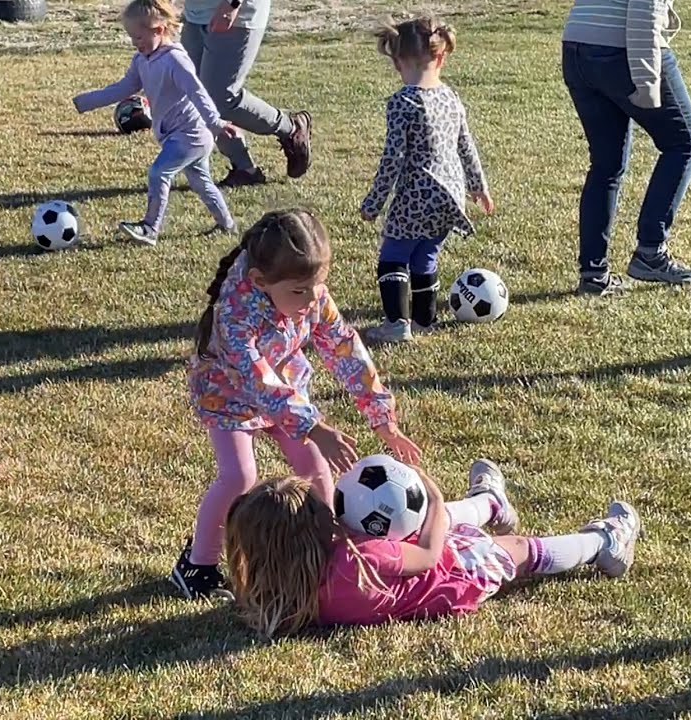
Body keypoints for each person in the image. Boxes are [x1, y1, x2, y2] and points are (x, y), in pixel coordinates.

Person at [175, 208, 422, 599]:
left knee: (314, 466)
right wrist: (313, 427)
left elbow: (346, 350)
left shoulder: (311, 294)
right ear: (260, 281)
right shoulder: (236, 314)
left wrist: (381, 418)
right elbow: (258, 381)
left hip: (286, 389)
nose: (310, 300)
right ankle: (196, 566)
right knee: (239, 477)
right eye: (299, 291)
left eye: (317, 286)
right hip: (230, 397)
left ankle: (327, 551)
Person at [225, 459, 641, 637]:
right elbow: (426, 554)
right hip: (453, 578)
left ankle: (492, 502)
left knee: (409, 525)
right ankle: (604, 543)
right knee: (517, 548)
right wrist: (436, 500)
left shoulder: (274, 591)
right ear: (309, 530)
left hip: (415, 569)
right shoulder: (360, 559)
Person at [360, 16, 493, 344]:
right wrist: (478, 186)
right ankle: (424, 320)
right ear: (441, 56)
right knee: (426, 256)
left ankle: (396, 324)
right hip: (450, 195)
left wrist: (373, 203)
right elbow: (466, 145)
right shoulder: (450, 96)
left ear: (397, 61)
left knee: (393, 255)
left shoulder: (402, 102)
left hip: (415, 195)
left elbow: (392, 160)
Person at [561, 0, 691, 296]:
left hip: (577, 44)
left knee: (605, 164)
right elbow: (645, 11)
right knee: (683, 143)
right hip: (620, 47)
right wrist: (647, 81)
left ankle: (593, 274)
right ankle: (651, 252)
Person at [73, 0, 239, 246]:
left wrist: (215, 123)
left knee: (159, 172)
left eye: (139, 37)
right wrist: (86, 101)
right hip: (176, 135)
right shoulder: (142, 60)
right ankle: (227, 225)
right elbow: (124, 87)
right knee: (200, 181)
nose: (135, 43)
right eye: (132, 37)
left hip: (191, 135)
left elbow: (197, 92)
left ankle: (150, 228)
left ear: (159, 30)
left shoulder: (175, 60)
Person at [180, 0, 312, 186]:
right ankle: (245, 169)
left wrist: (231, 5)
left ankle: (291, 128)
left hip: (237, 15)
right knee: (198, 96)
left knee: (221, 98)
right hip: (196, 14)